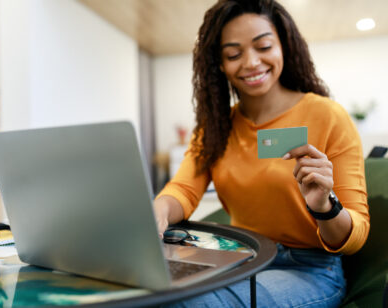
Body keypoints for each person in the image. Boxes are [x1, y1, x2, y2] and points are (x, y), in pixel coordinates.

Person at [154, 0, 370, 307]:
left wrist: (324, 206)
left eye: (263, 46)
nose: (251, 62)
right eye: (233, 54)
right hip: (241, 258)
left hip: (308, 269)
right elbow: (184, 189)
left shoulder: (328, 116)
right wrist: (158, 211)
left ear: (284, 46)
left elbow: (356, 236)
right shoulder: (215, 126)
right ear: (219, 63)